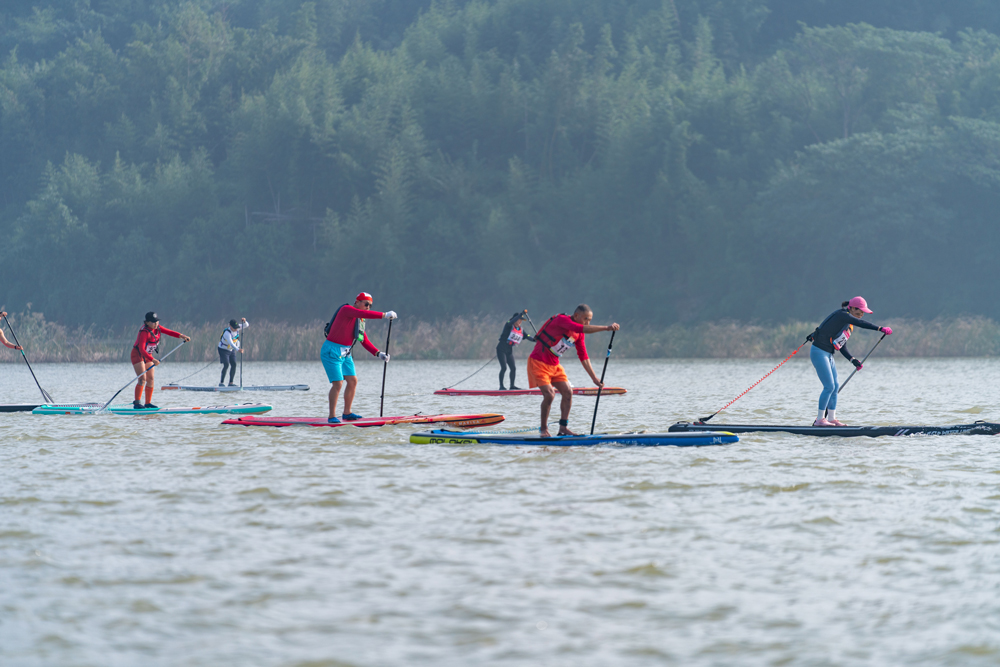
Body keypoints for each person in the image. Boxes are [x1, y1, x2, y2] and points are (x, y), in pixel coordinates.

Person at [528, 304, 619, 437]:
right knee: (549, 394)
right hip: (538, 362)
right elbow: (579, 327)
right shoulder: (562, 320)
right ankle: (543, 429)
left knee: (568, 392)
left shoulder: (579, 335)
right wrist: (607, 328)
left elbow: (583, 356)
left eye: (590, 320)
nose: (588, 323)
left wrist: (594, 378)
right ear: (576, 316)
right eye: (586, 319)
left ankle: (563, 429)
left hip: (554, 365)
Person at [807, 297, 892, 427]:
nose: (861, 314)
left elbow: (840, 344)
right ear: (851, 308)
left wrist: (853, 360)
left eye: (863, 312)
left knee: (835, 387)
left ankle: (831, 418)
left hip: (829, 354)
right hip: (819, 352)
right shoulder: (842, 315)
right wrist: (880, 328)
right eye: (859, 311)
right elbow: (862, 323)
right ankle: (819, 420)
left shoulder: (848, 324)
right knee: (829, 386)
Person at [321, 292, 396, 423]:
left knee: (353, 381)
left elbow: (363, 339)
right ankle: (332, 416)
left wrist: (379, 354)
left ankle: (347, 413)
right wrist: (384, 315)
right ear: (357, 302)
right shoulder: (346, 310)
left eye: (370, 305)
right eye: (366, 304)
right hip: (331, 351)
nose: (368, 307)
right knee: (338, 383)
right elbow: (364, 314)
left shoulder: (360, 320)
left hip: (346, 352)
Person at [132, 311, 191, 409]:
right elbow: (142, 350)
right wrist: (153, 359)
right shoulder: (144, 332)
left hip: (148, 356)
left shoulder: (158, 328)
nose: (156, 324)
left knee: (150, 379)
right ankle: (137, 403)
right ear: (147, 322)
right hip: (138, 355)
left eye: (157, 321)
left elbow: (170, 332)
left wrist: (182, 336)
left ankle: (148, 403)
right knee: (142, 379)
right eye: (153, 322)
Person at [497, 311, 535, 390]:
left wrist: (536, 339)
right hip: (501, 349)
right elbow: (511, 321)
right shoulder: (508, 325)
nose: (520, 322)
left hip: (509, 350)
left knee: (513, 368)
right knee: (504, 368)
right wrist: (521, 313)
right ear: (514, 320)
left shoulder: (520, 329)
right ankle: (501, 386)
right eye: (519, 320)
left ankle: (512, 386)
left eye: (521, 320)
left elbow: (528, 336)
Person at [218, 318, 249, 387]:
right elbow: (231, 343)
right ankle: (221, 383)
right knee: (226, 364)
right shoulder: (227, 333)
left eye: (236, 328)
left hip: (231, 350)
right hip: (223, 349)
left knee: (234, 364)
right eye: (234, 328)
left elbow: (246, 325)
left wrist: (245, 321)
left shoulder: (237, 327)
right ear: (230, 326)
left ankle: (231, 383)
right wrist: (238, 349)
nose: (236, 329)